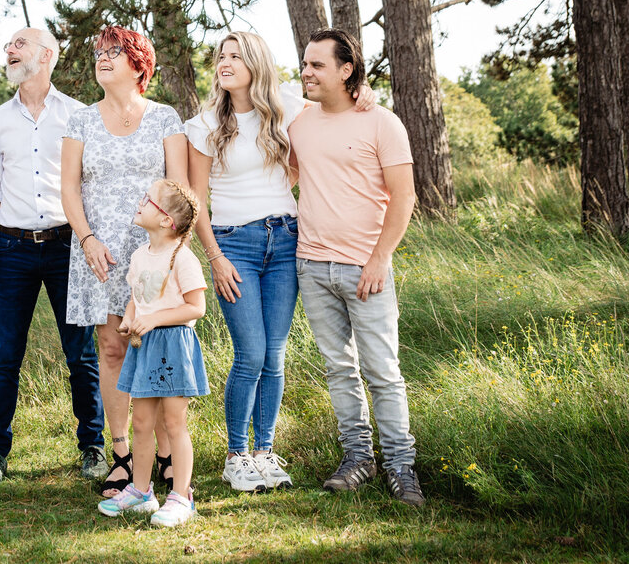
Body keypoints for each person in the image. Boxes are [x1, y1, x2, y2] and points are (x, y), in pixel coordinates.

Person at [186, 31, 374, 492]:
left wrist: (362, 94)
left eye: (235, 56)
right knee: (249, 353)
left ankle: (265, 452)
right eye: (221, 57)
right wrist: (215, 258)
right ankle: (236, 455)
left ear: (256, 62)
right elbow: (196, 201)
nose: (224, 63)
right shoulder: (204, 124)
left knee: (275, 354)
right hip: (234, 246)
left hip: (286, 239)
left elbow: (337, 107)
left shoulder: (288, 105)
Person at [287, 28, 424, 507]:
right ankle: (358, 458)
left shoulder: (383, 123)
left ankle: (401, 466)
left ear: (347, 70)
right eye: (304, 64)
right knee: (338, 370)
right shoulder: (299, 123)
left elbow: (404, 195)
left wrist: (379, 258)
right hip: (311, 265)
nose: (306, 72)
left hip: (367, 270)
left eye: (317, 65)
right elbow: (286, 173)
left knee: (383, 371)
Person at [0, 28, 107, 488]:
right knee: (4, 355)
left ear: (46, 55)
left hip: (68, 246)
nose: (9, 49)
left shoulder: (79, 115)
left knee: (82, 354)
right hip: (10, 249)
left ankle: (92, 446)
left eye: (19, 43)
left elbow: (90, 186)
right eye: (8, 44)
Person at [60, 25, 188, 498]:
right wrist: (87, 238)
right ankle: (122, 454)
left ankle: (169, 453)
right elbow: (69, 188)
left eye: (115, 51)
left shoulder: (164, 119)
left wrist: (169, 254)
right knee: (112, 349)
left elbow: (179, 191)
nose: (103, 57)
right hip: (98, 253)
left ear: (139, 64)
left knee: (153, 347)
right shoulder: (81, 121)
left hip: (153, 250)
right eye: (99, 51)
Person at [97, 179, 207, 528]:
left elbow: (197, 307)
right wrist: (130, 319)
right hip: (144, 347)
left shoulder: (183, 258)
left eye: (149, 201)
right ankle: (142, 491)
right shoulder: (140, 255)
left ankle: (181, 495)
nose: (140, 202)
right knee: (141, 423)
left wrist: (154, 319)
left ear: (166, 221)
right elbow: (137, 296)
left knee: (174, 423)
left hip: (173, 345)